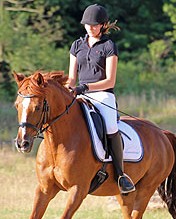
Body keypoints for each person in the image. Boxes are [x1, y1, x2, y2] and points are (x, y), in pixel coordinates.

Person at [66, 4, 135, 194]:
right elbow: (72, 77)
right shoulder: (76, 45)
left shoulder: (109, 46)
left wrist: (86, 87)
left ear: (103, 25)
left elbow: (110, 80)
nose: (90, 28)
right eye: (87, 24)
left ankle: (121, 175)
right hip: (80, 93)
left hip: (103, 94)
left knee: (111, 127)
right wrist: (67, 89)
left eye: (95, 25)